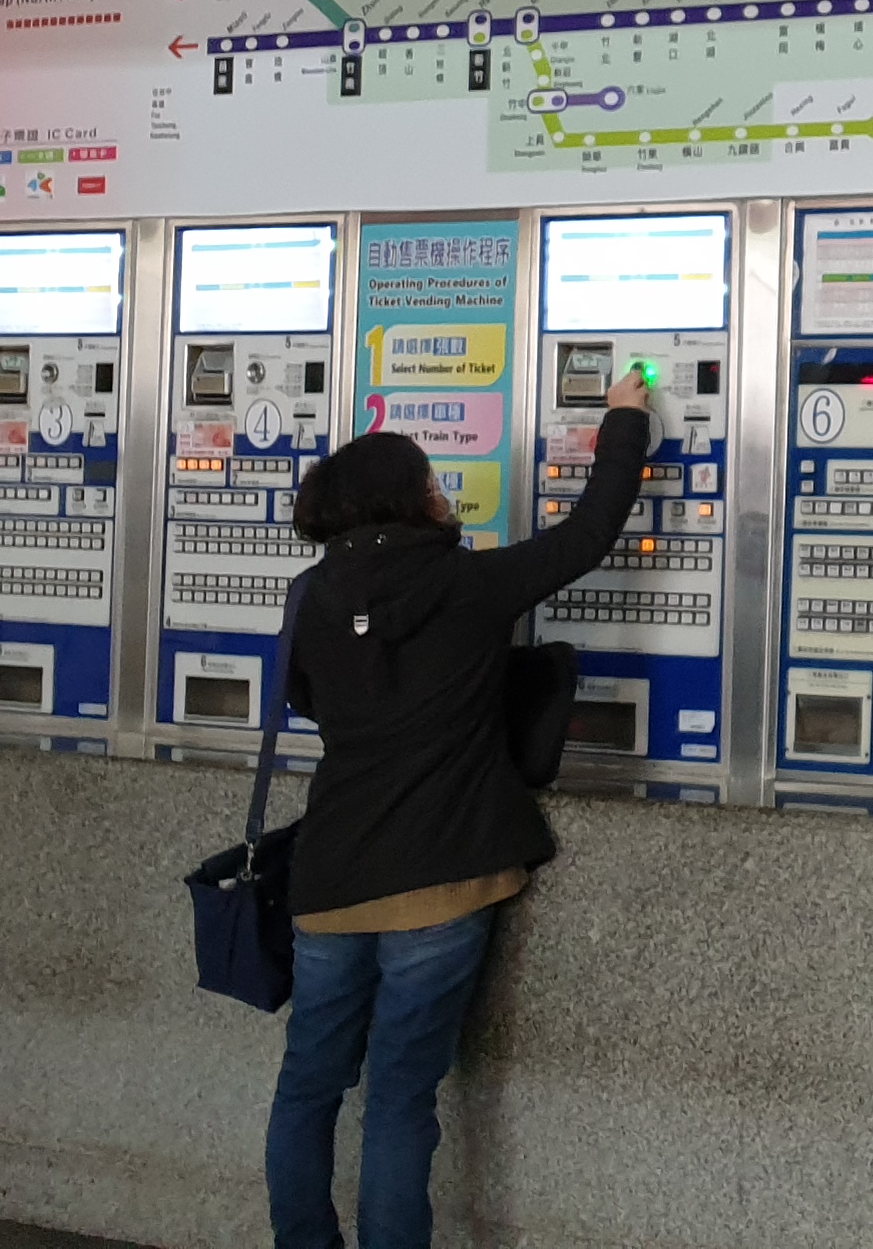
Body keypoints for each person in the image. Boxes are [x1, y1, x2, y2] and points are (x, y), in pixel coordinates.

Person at [263, 365, 657, 1249]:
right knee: (400, 1101)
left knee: (308, 1087)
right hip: (441, 884)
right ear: (410, 501)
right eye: (431, 481)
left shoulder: (310, 599)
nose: (442, 492)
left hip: (330, 885)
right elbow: (588, 535)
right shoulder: (467, 585)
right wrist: (625, 422)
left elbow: (311, 702)